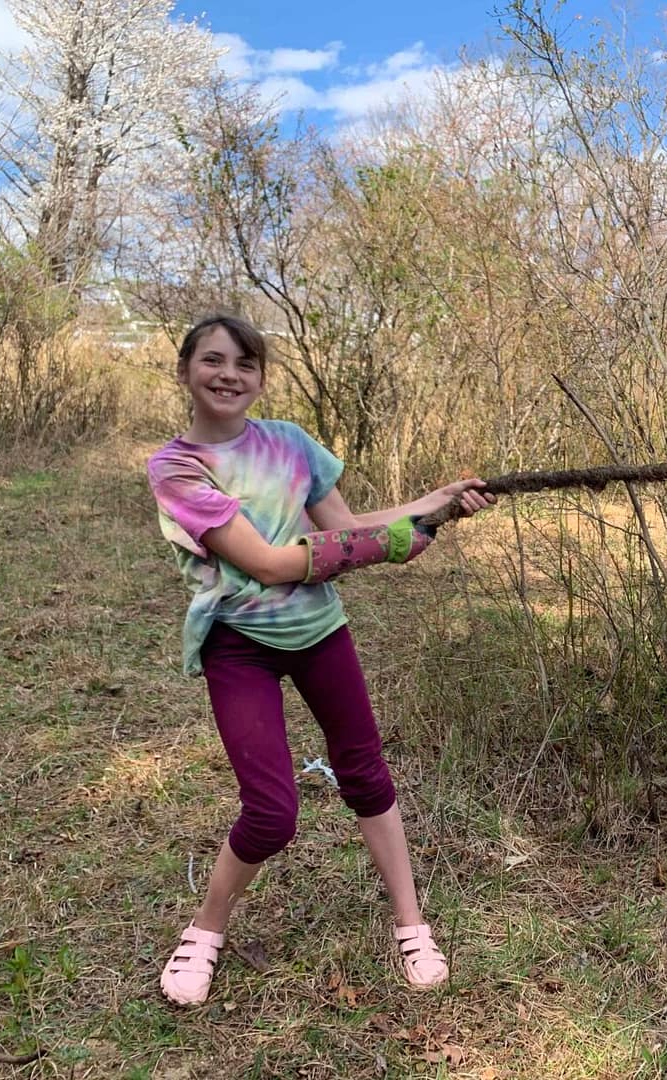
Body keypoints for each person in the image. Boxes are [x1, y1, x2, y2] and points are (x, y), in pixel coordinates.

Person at [146, 313, 493, 1005]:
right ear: (184, 370)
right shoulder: (177, 468)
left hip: (320, 631)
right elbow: (273, 565)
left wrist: (432, 508)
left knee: (366, 773)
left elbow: (345, 527)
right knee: (272, 813)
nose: (229, 375)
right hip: (236, 642)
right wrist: (400, 542)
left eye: (245, 364)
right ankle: (205, 930)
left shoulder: (291, 444)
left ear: (261, 378)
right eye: (213, 360)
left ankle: (412, 925)